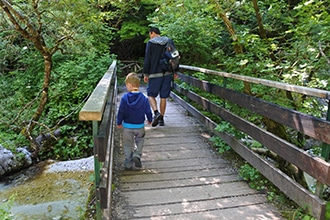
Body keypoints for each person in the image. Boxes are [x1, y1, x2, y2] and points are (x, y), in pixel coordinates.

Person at [117, 72, 153, 170]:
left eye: (126, 85)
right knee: (140, 140)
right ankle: (137, 155)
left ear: (129, 85)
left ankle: (128, 163)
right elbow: (148, 111)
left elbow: (121, 112)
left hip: (127, 126)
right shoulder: (144, 98)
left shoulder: (124, 98)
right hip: (139, 126)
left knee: (128, 144)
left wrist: (119, 122)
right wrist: (150, 119)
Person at [143, 27, 178, 127]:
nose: (150, 36)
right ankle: (161, 119)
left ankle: (156, 113)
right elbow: (175, 56)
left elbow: (147, 59)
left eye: (150, 34)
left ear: (152, 33)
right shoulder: (168, 41)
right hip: (167, 73)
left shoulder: (151, 43)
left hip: (154, 73)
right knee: (163, 97)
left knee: (150, 95)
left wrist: (146, 74)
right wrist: (175, 71)